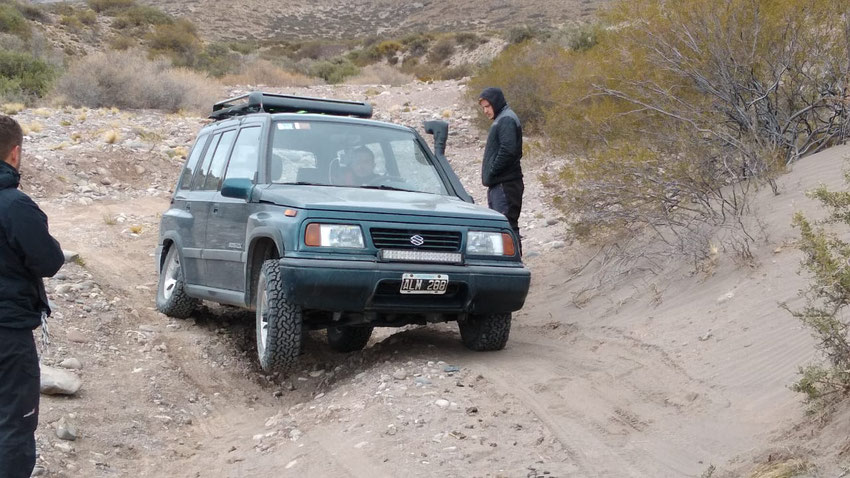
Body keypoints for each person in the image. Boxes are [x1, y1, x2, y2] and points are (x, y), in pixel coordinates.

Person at [0, 114, 65, 478]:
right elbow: (48, 260)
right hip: (6, 334)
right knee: (13, 424)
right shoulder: (14, 206)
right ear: (14, 154)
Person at [478, 87, 524, 253]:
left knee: (505, 227)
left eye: (488, 106)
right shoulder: (504, 118)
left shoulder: (505, 119)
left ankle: (513, 265)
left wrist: (492, 171)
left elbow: (508, 150)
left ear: (496, 103)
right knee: (504, 227)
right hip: (502, 184)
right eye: (483, 107)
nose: (485, 111)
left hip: (505, 184)